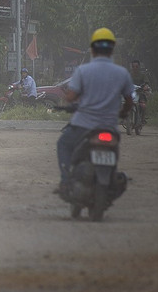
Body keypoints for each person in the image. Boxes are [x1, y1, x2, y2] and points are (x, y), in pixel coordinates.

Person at [56, 28, 134, 193]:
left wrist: (68, 102)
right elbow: (129, 100)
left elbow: (70, 97)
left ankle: (65, 181)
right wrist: (123, 113)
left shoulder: (83, 71)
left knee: (63, 143)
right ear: (112, 49)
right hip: (110, 128)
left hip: (83, 126)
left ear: (92, 49)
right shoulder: (122, 73)